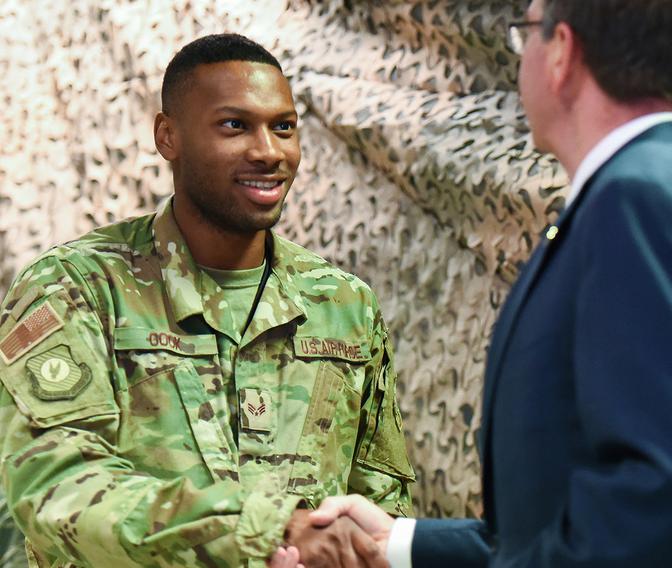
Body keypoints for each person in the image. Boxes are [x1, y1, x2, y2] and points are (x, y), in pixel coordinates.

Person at [308, 0, 672, 566]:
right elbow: (582, 511)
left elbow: (666, 488)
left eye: (526, 33)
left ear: (562, 53)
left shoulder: (642, 201)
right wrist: (395, 543)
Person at [0, 33, 413, 568]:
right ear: (167, 136)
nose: (268, 152)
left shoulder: (343, 303)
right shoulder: (78, 288)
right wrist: (265, 532)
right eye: (234, 125)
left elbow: (381, 503)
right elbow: (57, 488)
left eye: (283, 127)